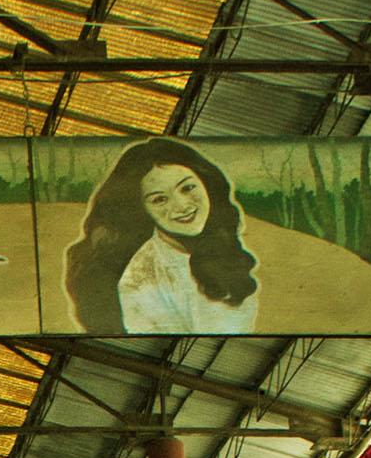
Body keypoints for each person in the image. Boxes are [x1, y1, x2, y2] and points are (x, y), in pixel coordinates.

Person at [64, 136, 260, 336]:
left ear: (207, 184)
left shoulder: (223, 246)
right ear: (141, 209)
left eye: (187, 187)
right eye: (159, 199)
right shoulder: (140, 282)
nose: (182, 206)